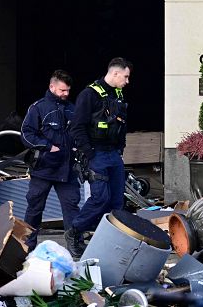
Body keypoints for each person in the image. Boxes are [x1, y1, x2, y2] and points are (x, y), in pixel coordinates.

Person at [64, 58, 131, 257]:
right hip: (97, 154)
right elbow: (77, 127)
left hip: (114, 155)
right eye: (125, 77)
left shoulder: (118, 94)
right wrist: (90, 154)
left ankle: (107, 243)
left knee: (117, 202)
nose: (127, 81)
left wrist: (120, 148)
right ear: (115, 73)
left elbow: (122, 125)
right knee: (100, 198)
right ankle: (74, 232)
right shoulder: (89, 94)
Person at [20, 70, 80, 252]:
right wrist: (47, 147)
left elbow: (79, 132)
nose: (66, 94)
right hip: (43, 169)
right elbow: (26, 134)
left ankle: (75, 246)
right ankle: (28, 248)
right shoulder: (38, 108)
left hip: (67, 169)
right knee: (35, 208)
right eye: (62, 90)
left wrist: (79, 146)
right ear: (52, 87)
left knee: (72, 207)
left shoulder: (72, 108)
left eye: (68, 90)